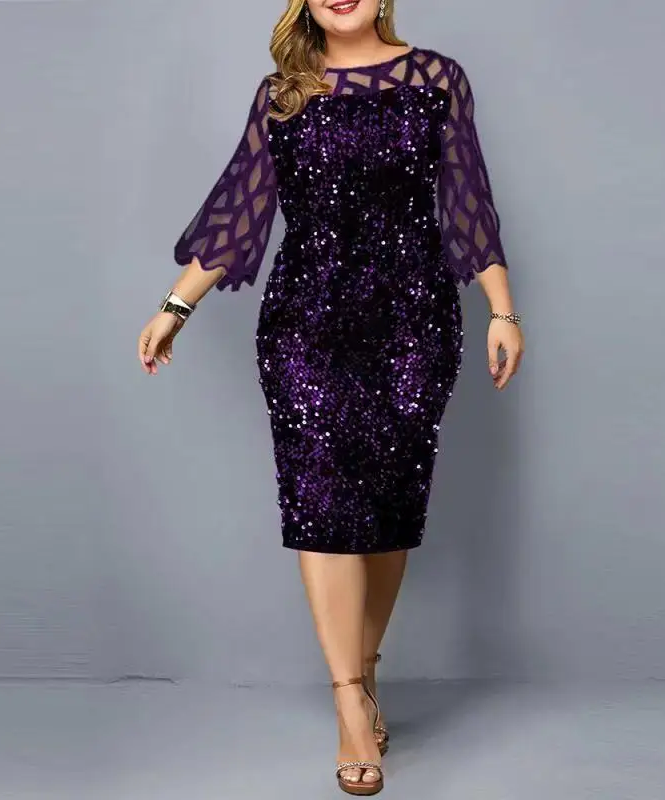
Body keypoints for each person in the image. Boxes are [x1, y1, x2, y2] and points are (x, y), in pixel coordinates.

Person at [137, 0, 524, 794]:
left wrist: (502, 311)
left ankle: (365, 669)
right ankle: (349, 701)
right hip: (305, 325)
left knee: (388, 507)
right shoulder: (284, 93)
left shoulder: (437, 79)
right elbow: (240, 208)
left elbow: (467, 200)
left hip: (413, 321)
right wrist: (175, 306)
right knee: (320, 503)